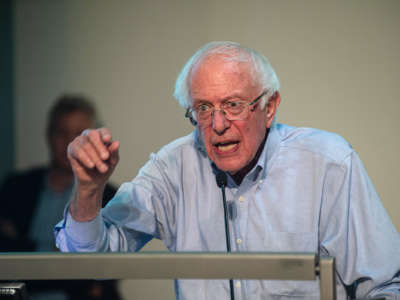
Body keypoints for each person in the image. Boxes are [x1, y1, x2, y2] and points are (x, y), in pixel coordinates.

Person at [55, 42, 400, 299]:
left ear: (269, 106)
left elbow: (386, 286)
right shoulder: (173, 167)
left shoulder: (328, 163)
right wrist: (87, 190)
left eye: (233, 105)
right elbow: (89, 261)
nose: (218, 124)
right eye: (203, 108)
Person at [0, 95, 122, 300]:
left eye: (78, 134)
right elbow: (5, 259)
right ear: (49, 136)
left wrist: (32, 252)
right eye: (61, 133)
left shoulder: (110, 196)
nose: (70, 143)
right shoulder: (16, 187)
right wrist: (66, 257)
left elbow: (105, 270)